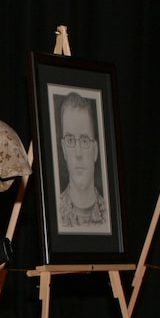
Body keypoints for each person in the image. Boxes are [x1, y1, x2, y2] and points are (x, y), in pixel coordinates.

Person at [56, 91, 106, 228]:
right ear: (64, 149)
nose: (78, 153)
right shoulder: (55, 214)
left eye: (84, 140)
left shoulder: (108, 216)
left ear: (95, 150)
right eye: (70, 140)